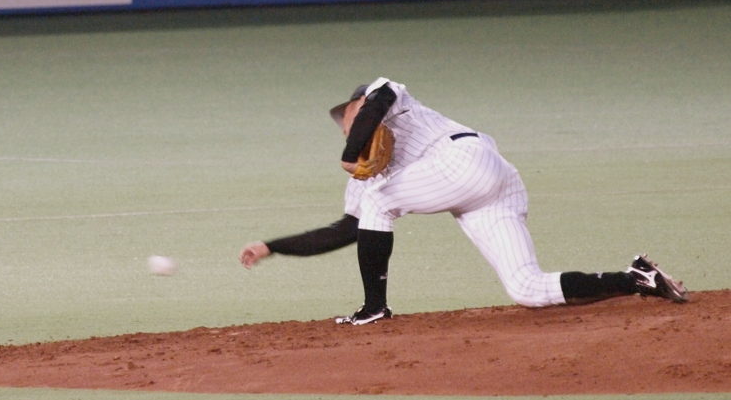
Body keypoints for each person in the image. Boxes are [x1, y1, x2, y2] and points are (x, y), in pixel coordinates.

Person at [239, 77, 689, 325]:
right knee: (527, 289)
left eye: (349, 116)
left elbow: (373, 110)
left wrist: (349, 150)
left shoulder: (389, 98)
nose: (347, 127)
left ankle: (374, 308)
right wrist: (272, 246)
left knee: (379, 202)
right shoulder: (368, 176)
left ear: (361, 100)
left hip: (469, 162)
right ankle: (636, 278)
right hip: (482, 192)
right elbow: (346, 230)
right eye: (342, 129)